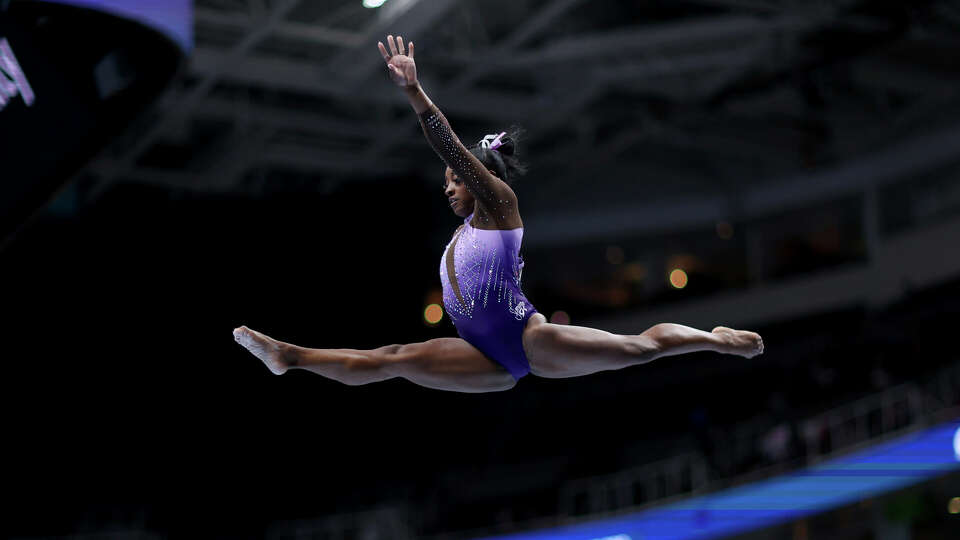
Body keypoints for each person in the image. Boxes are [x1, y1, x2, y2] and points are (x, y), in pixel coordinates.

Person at [232, 34, 763, 393]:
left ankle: (713, 339)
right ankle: (290, 355)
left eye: (457, 178)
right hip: (481, 355)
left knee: (639, 349)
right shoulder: (463, 234)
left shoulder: (501, 209)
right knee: (392, 357)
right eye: (446, 183)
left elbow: (447, 145)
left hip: (529, 340)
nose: (450, 188)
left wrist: (414, 90)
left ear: (483, 180)